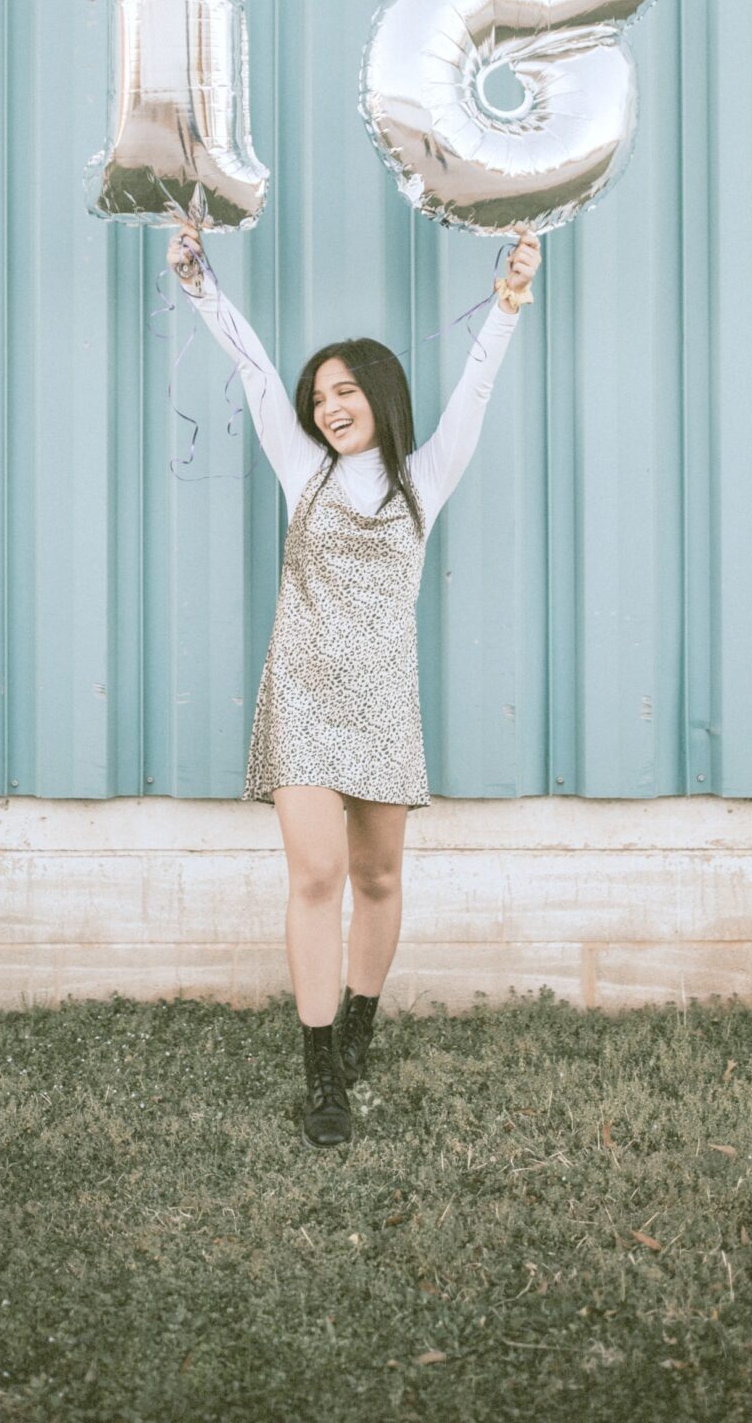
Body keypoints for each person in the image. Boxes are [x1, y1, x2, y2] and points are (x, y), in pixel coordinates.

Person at [165, 217, 541, 1150]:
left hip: (383, 701)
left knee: (376, 876)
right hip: (300, 694)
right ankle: (321, 1073)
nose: (328, 406)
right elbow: (250, 367)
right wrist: (198, 280)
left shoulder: (424, 477)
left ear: (379, 392)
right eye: (318, 395)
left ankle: (362, 1030)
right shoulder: (303, 471)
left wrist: (506, 304)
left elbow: (477, 390)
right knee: (318, 874)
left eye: (344, 389)